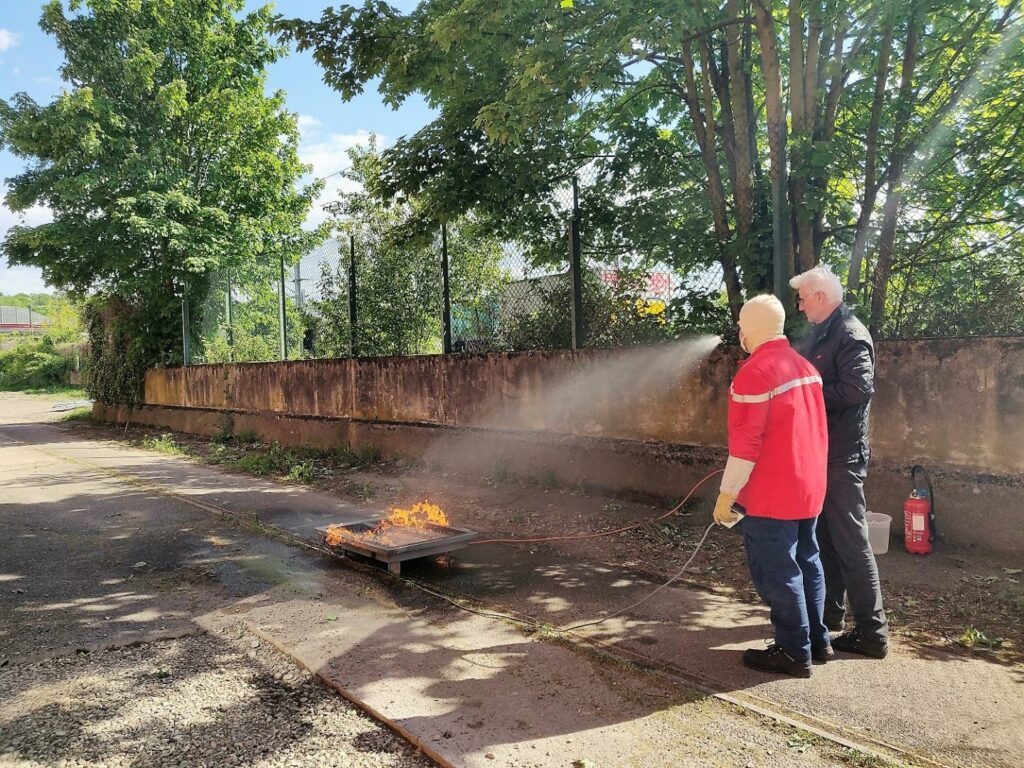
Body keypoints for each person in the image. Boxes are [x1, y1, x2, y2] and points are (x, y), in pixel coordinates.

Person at [713, 294, 832, 678]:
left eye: (741, 327)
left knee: (777, 571)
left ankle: (793, 653)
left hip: (771, 494)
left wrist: (727, 494)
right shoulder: (804, 367)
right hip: (808, 487)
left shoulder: (755, 372)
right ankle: (818, 641)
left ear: (748, 329)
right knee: (808, 563)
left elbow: (747, 443)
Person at [789, 264, 889, 659]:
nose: (798, 306)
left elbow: (857, 389)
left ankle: (873, 634)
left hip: (843, 454)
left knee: (850, 541)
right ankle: (830, 619)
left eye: (802, 298)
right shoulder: (825, 331)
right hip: (825, 451)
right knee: (827, 538)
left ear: (820, 296)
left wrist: (808, 394)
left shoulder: (849, 333)